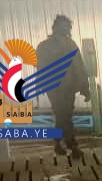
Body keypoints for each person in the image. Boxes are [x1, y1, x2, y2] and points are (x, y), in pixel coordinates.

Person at [36, 15, 89, 159]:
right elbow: (41, 67)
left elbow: (79, 66)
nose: (65, 29)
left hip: (66, 87)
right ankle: (73, 146)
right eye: (63, 26)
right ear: (56, 28)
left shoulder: (68, 45)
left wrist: (85, 87)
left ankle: (58, 144)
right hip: (56, 87)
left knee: (63, 115)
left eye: (67, 26)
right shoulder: (47, 46)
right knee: (64, 114)